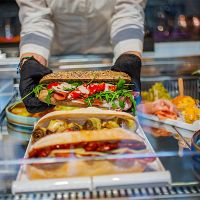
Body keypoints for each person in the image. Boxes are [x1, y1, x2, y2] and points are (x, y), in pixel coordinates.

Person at [16, 0, 146, 113]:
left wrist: (129, 55)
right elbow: (35, 17)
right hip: (55, 61)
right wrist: (32, 60)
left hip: (111, 59)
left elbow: (128, 11)